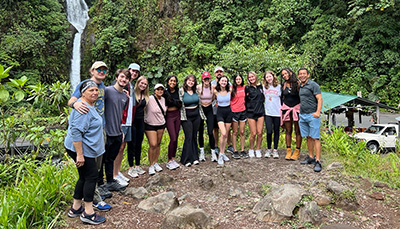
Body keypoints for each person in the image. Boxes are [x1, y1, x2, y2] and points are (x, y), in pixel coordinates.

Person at [67, 61, 111, 211]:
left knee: (88, 174)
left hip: (95, 133)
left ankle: (76, 207)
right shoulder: (84, 94)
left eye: (104, 70)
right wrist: (75, 104)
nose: (102, 72)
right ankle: (89, 209)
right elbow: (72, 101)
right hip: (84, 144)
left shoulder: (102, 87)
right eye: (99, 69)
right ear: (92, 70)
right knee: (91, 175)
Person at [64, 80, 106, 225]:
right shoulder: (83, 108)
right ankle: (88, 213)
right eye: (90, 90)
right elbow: (76, 132)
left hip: (82, 148)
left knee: (83, 177)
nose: (94, 93)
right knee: (91, 176)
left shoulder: (87, 104)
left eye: (96, 90)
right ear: (83, 93)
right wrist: (80, 155)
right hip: (82, 149)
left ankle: (75, 208)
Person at [98, 69, 130, 192]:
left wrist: (121, 129)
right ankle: (100, 185)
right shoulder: (107, 91)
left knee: (111, 158)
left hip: (117, 131)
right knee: (102, 160)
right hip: (106, 132)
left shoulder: (124, 96)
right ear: (116, 77)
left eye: (126, 78)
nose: (124, 80)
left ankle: (110, 181)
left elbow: (121, 114)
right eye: (122, 77)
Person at [113, 64, 140, 184]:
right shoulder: (121, 87)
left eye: (136, 72)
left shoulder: (131, 86)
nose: (134, 73)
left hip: (128, 121)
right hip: (121, 121)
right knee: (118, 147)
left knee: (122, 147)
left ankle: (117, 172)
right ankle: (113, 174)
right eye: (132, 71)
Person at [298, 68, 323, 172]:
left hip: (312, 115)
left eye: (304, 74)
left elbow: (320, 99)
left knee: (315, 137)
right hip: (303, 115)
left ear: (308, 75)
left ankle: (318, 161)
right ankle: (311, 157)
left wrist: (317, 112)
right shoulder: (300, 86)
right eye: (300, 74)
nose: (302, 75)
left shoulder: (313, 85)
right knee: (308, 137)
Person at [179, 74, 206, 167]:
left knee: (194, 136)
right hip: (186, 116)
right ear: (186, 81)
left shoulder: (196, 91)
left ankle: (195, 157)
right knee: (188, 136)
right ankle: (186, 159)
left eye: (193, 81)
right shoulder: (181, 91)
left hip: (196, 115)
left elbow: (199, 103)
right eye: (189, 80)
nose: (191, 82)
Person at [128, 76, 149, 176]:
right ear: (138, 83)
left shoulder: (145, 96)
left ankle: (137, 165)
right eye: (141, 83)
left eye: (145, 84)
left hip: (141, 122)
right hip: (132, 122)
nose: (143, 85)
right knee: (131, 144)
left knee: (139, 144)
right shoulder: (132, 94)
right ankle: (131, 167)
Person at [145, 83, 167, 175]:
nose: (160, 91)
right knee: (153, 144)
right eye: (158, 89)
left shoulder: (164, 99)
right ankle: (150, 165)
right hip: (150, 124)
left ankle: (155, 162)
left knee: (158, 144)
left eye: (161, 89)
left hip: (161, 124)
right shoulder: (149, 99)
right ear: (154, 90)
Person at [280, 68, 302, 160]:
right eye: (283, 75)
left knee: (298, 131)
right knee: (288, 131)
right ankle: (288, 150)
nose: (285, 76)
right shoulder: (283, 85)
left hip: (297, 109)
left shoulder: (298, 83)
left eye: (286, 73)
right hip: (287, 109)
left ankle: (297, 151)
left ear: (291, 73)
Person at [163, 75, 183, 170]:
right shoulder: (164, 92)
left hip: (177, 114)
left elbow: (180, 103)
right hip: (169, 115)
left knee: (177, 136)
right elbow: (170, 102)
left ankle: (173, 158)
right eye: (171, 80)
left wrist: (174, 102)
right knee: (173, 138)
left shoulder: (178, 91)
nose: (173, 82)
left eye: (174, 81)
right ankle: (169, 160)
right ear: (168, 81)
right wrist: (176, 102)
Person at [245, 71, 265, 158]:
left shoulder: (261, 87)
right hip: (250, 113)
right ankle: (251, 149)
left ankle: (258, 149)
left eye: (252, 77)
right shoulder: (247, 88)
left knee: (260, 133)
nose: (251, 78)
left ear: (255, 77)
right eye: (249, 77)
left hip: (260, 112)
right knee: (253, 133)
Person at [213, 75, 232, 165]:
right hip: (220, 112)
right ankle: (220, 155)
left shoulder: (230, 90)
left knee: (226, 134)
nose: (224, 82)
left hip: (228, 112)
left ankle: (222, 152)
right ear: (219, 82)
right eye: (222, 81)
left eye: (225, 81)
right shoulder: (216, 91)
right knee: (223, 133)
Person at [197, 71, 216, 161]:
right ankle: (202, 152)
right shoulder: (199, 88)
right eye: (205, 79)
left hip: (209, 109)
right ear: (202, 80)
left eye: (208, 79)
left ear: (210, 79)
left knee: (210, 131)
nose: (206, 80)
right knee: (200, 131)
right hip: (201, 109)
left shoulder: (213, 88)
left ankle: (213, 152)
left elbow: (214, 97)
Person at [263, 70, 281, 159]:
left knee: (276, 131)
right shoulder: (264, 87)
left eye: (270, 76)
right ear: (265, 79)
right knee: (269, 131)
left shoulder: (279, 87)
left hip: (277, 112)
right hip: (268, 112)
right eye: (267, 77)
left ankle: (275, 150)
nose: (269, 78)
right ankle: (269, 149)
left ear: (273, 76)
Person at [230, 73, 247, 159]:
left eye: (239, 79)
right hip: (234, 111)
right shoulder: (232, 88)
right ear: (235, 80)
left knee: (242, 131)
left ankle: (243, 150)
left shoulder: (244, 87)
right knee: (235, 132)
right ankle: (235, 150)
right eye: (237, 79)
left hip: (243, 111)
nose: (238, 81)